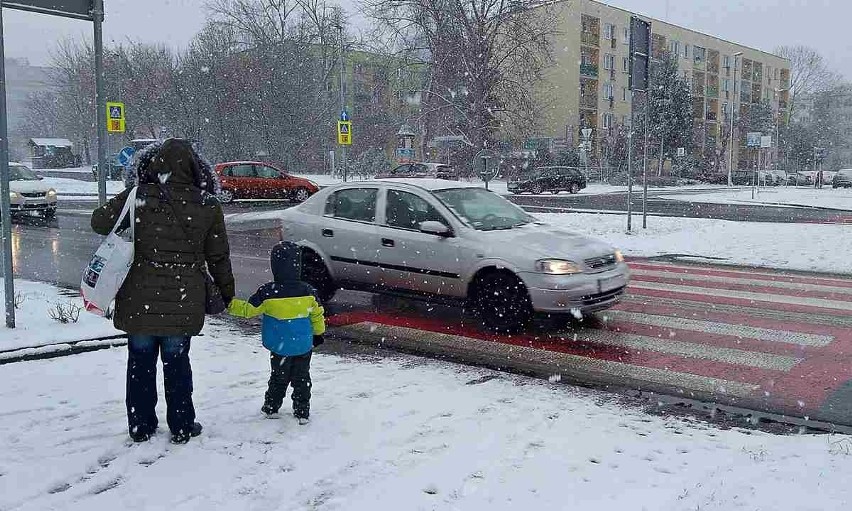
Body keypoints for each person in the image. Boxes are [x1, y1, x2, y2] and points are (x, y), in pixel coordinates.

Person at [90, 138, 235, 444]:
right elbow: (218, 256)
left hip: (138, 299)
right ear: (195, 167)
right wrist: (226, 292)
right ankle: (182, 425)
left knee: (140, 364)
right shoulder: (207, 204)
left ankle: (141, 426)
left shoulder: (137, 196)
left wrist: (132, 206)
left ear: (154, 164)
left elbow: (98, 222)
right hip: (183, 301)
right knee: (177, 363)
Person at [228, 241, 325, 424]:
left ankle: (272, 407)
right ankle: (302, 411)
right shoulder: (308, 291)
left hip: (280, 346)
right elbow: (317, 315)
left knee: (278, 378)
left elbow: (248, 310)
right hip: (303, 345)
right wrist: (318, 333)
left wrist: (228, 304)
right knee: (302, 378)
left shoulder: (268, 292)